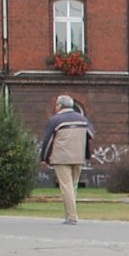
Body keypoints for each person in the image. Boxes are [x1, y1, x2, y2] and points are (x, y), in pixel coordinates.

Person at [39, 94, 93, 225]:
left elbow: (48, 141)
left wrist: (44, 157)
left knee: (66, 186)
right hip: (78, 157)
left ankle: (72, 217)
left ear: (59, 106)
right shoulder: (82, 119)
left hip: (61, 158)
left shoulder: (55, 120)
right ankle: (71, 214)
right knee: (73, 186)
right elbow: (90, 134)